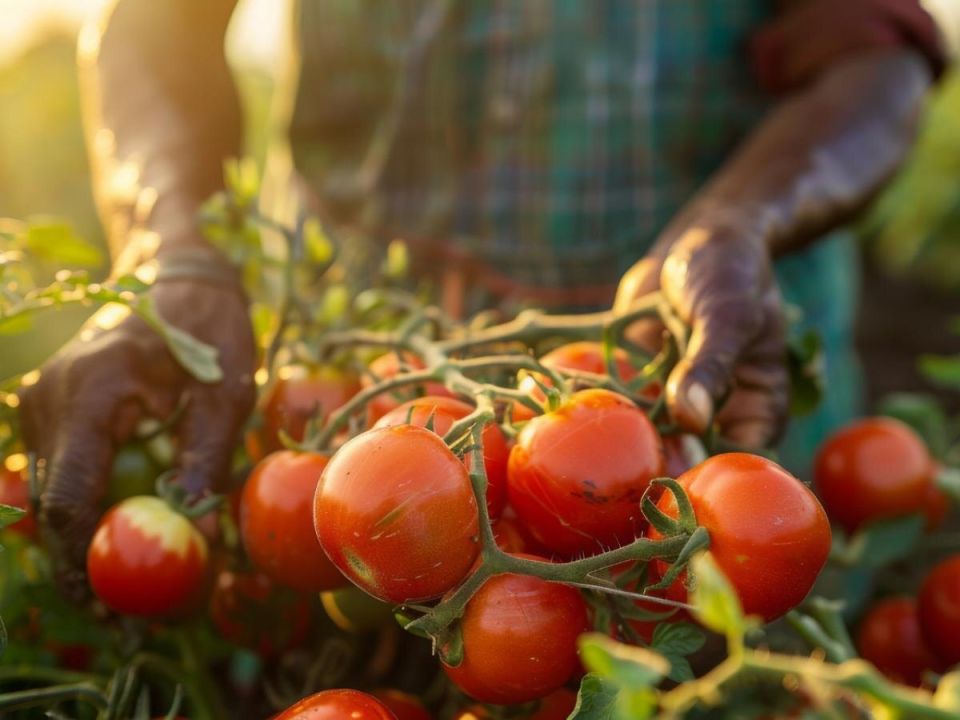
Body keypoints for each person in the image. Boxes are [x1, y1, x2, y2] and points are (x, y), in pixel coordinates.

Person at [18, 0, 953, 595]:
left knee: (742, 643)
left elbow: (876, 47)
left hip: (720, 385)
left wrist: (738, 222)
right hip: (351, 397)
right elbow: (158, 17)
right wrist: (175, 252)